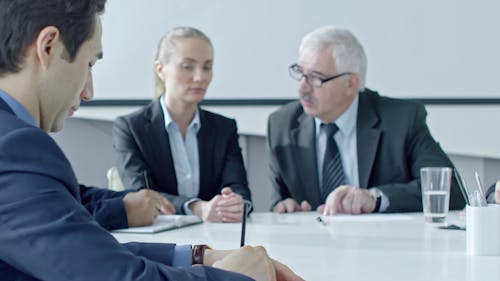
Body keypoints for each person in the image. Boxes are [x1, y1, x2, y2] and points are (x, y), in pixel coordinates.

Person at [0, 1, 303, 280]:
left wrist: (199, 256)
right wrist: (237, 277)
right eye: (89, 64)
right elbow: (113, 275)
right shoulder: (15, 147)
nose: (88, 92)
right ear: (48, 46)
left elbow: (82, 247)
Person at [268, 26, 465, 215]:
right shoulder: (282, 125)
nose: (302, 87)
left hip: (384, 244)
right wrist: (284, 206)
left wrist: (375, 199)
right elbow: (280, 198)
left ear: (350, 84)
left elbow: (451, 191)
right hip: (311, 245)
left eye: (316, 78)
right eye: (300, 73)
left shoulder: (401, 120)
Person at [113, 26, 251, 222]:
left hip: (216, 234)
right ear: (160, 69)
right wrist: (196, 207)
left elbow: (239, 189)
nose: (200, 77)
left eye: (207, 67)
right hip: (159, 237)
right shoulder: (130, 128)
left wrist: (233, 203)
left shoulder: (224, 128)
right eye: (187, 66)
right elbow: (141, 194)